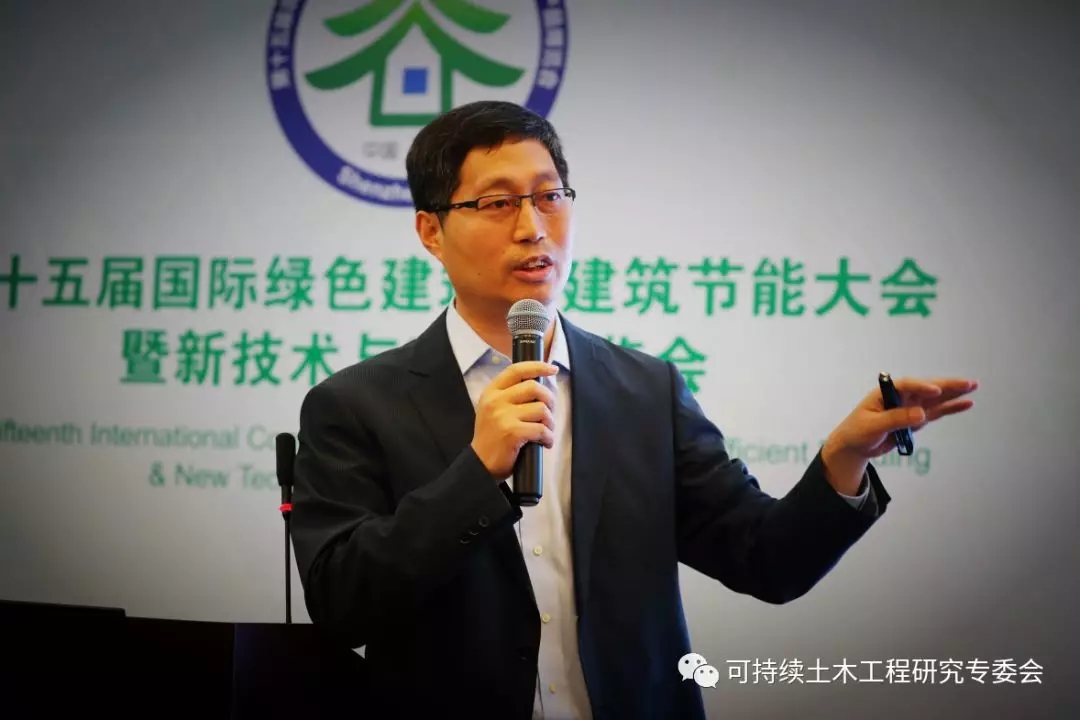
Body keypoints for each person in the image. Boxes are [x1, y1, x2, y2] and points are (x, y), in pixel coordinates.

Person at [291, 100, 977, 719]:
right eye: (497, 203)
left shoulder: (645, 390)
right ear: (431, 231)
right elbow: (342, 605)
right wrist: (476, 472)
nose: (532, 228)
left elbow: (766, 561)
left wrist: (842, 459)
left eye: (549, 197)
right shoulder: (355, 405)